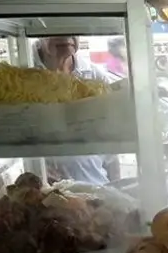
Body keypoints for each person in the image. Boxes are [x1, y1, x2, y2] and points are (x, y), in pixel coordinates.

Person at [34, 36, 121, 184]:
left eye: (71, 26)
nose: (65, 35)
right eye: (55, 27)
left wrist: (116, 189)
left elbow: (112, 150)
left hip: (96, 188)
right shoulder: (20, 76)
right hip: (42, 194)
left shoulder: (96, 77)